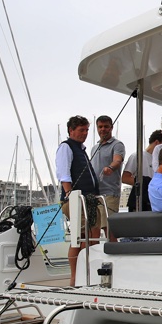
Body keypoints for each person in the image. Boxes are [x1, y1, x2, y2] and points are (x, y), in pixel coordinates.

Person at [55, 115, 102, 285]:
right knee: (85, 237)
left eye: (87, 130)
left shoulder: (80, 149)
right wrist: (69, 194)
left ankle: (80, 276)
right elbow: (64, 173)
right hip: (76, 200)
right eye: (81, 130)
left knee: (86, 236)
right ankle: (78, 276)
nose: (85, 133)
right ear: (71, 130)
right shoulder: (66, 147)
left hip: (88, 200)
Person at [90, 115, 125, 241]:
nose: (103, 129)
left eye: (106, 126)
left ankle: (115, 252)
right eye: (100, 127)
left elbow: (117, 160)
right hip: (94, 195)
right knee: (93, 231)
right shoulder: (94, 148)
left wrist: (110, 168)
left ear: (111, 127)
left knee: (109, 230)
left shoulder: (117, 145)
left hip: (110, 194)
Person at [122, 129, 162, 212]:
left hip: (156, 199)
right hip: (140, 199)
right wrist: (144, 183)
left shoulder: (160, 160)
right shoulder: (137, 156)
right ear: (157, 143)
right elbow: (125, 178)